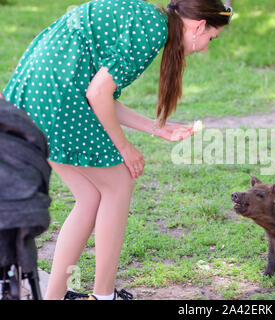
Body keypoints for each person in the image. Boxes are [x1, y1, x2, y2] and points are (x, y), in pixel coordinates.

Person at [2, 0, 232, 300]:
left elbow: (98, 90)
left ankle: (55, 296)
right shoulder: (152, 30)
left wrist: (155, 127)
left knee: (90, 196)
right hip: (54, 95)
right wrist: (125, 148)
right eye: (210, 39)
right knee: (119, 184)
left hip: (37, 90)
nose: (204, 48)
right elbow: (97, 93)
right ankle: (104, 295)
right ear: (199, 25)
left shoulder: (149, 18)